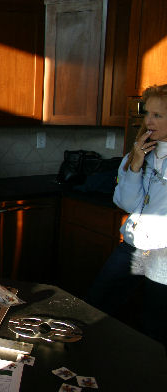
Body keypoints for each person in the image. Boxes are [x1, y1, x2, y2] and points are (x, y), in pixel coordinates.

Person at [87, 84, 167, 349]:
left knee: (154, 326)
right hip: (132, 249)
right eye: (147, 114)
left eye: (157, 115)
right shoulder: (138, 154)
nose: (148, 121)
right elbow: (125, 202)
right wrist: (135, 164)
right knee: (95, 306)